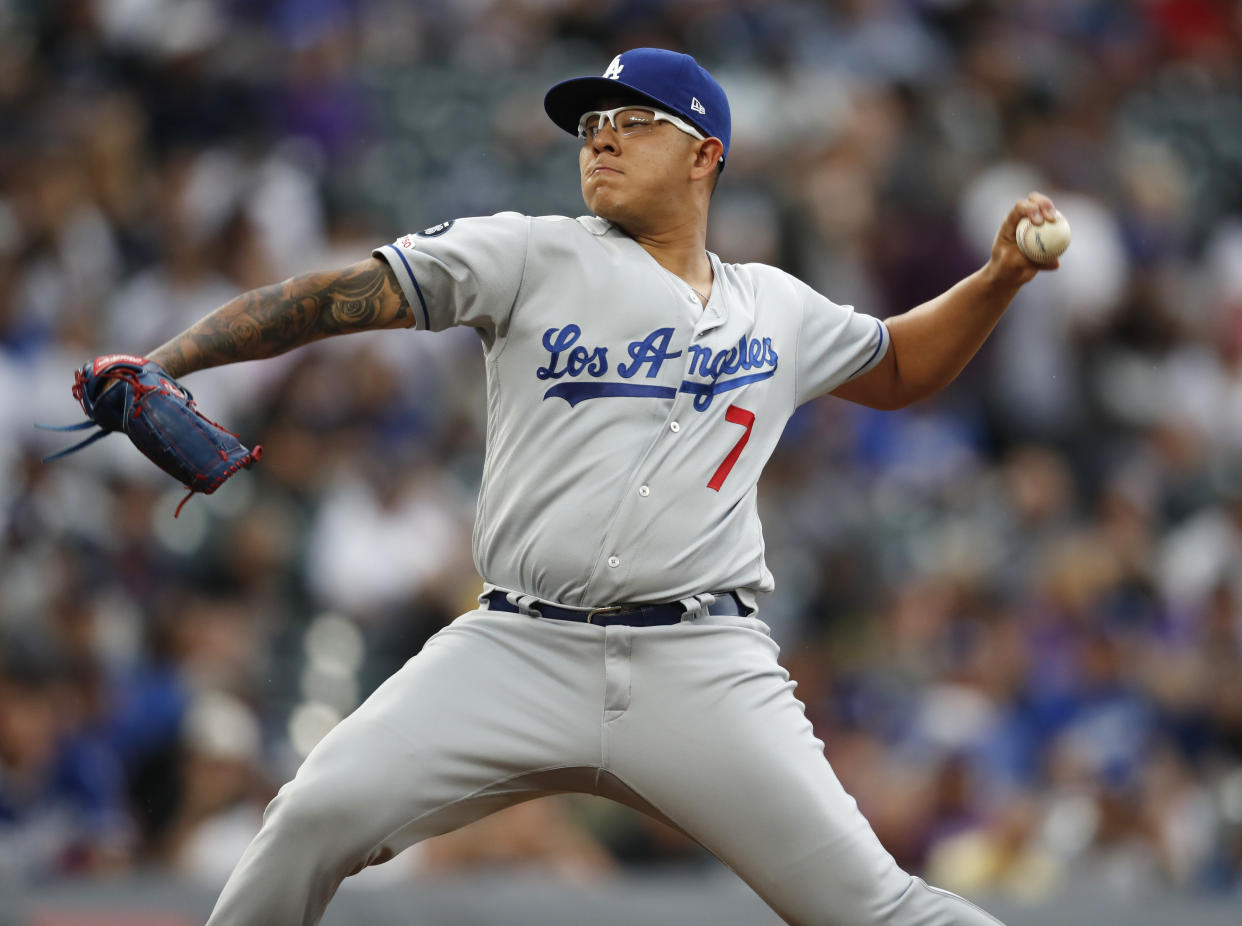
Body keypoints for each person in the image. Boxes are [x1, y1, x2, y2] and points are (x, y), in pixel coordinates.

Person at [122, 48, 1060, 926]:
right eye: (590, 124)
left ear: (706, 156)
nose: (600, 136)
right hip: (517, 647)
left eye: (633, 120)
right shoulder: (527, 252)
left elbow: (897, 366)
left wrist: (999, 276)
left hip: (701, 664)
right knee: (308, 820)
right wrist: (168, 359)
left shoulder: (777, 304)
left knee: (878, 907)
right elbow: (333, 296)